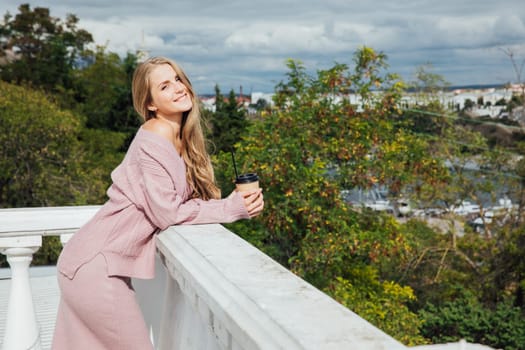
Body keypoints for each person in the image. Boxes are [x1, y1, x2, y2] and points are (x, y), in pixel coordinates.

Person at [51, 56, 264, 349]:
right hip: (96, 268)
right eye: (165, 86)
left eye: (177, 79)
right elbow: (168, 212)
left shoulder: (179, 138)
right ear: (150, 104)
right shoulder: (156, 133)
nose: (178, 88)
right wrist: (231, 208)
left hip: (90, 262)